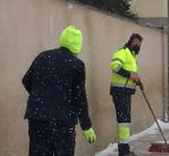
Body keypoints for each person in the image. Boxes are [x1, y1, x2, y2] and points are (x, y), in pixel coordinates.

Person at [22, 25, 97, 156]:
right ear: (77, 47)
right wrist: (86, 126)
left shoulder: (43, 56)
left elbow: (26, 80)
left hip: (38, 118)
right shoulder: (77, 65)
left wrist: (41, 96)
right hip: (63, 121)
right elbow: (79, 97)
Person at [110, 33, 144, 156]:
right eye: (136, 44)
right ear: (131, 42)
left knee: (125, 121)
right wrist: (131, 76)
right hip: (120, 92)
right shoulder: (123, 52)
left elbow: (131, 73)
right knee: (123, 121)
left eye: (139, 45)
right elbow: (114, 66)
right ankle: (123, 151)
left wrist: (138, 81)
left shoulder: (132, 56)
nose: (138, 47)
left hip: (125, 92)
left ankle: (125, 149)